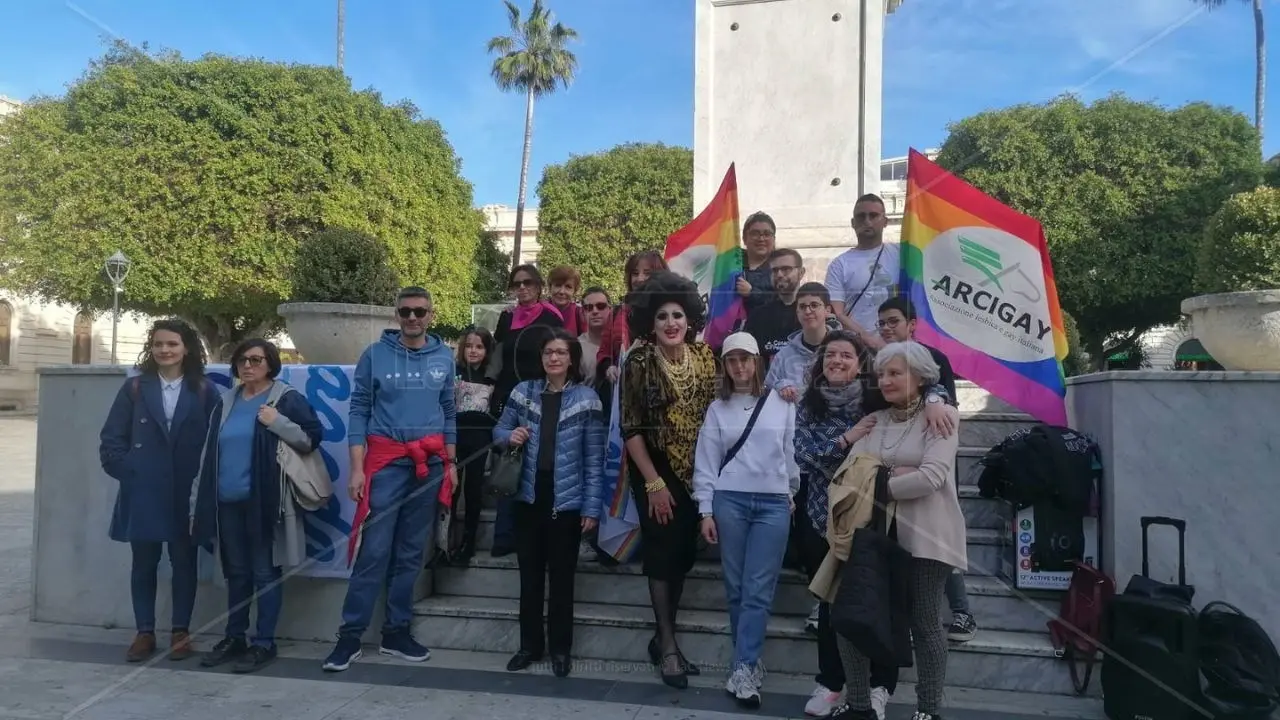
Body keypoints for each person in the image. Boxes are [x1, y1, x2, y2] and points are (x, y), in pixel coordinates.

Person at [322, 286, 457, 672]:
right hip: (386, 462)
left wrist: (451, 463)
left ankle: (396, 631)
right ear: (396, 315)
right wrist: (357, 467)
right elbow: (358, 411)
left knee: (412, 552)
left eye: (420, 311)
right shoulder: (374, 355)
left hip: (429, 465)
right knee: (374, 550)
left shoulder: (444, 357)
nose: (412, 318)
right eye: (405, 312)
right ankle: (349, 636)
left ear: (432, 314)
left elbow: (449, 410)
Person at [830, 341, 967, 720]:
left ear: (920, 377)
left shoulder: (942, 417)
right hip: (875, 539)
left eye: (895, 373)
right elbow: (848, 476)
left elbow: (933, 477)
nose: (885, 381)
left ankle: (928, 711)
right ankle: (859, 705)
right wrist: (890, 478)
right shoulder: (876, 421)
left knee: (925, 625)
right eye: (882, 374)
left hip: (927, 537)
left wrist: (877, 480)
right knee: (851, 619)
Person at [190, 339, 323, 673]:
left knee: (265, 574)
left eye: (256, 360)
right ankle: (234, 637)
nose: (248, 366)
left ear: (270, 364)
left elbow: (311, 439)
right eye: (242, 360)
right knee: (235, 574)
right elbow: (210, 454)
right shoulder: (226, 402)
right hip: (226, 504)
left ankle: (264, 642)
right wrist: (198, 502)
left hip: (264, 504)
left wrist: (277, 421)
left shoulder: (285, 399)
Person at [619, 270, 719, 689]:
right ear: (651, 324)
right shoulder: (639, 362)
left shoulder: (706, 357)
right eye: (662, 317)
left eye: (678, 315)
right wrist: (654, 483)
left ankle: (663, 640)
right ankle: (670, 645)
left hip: (700, 470)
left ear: (690, 319)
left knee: (682, 554)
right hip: (654, 470)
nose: (671, 323)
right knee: (662, 552)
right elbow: (631, 429)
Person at [99, 318, 218, 663]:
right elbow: (111, 440)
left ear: (186, 349)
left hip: (186, 493)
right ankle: (144, 632)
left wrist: (204, 486)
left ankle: (181, 631)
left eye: (172, 344)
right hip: (144, 491)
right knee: (144, 563)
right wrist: (131, 474)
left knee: (184, 562)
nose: (165, 350)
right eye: (159, 344)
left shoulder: (204, 390)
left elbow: (214, 443)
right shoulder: (135, 389)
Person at [792, 330, 895, 719]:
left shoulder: (877, 401)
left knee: (874, 602)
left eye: (846, 355)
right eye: (830, 354)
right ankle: (831, 682)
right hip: (822, 517)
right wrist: (848, 439)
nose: (836, 360)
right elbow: (803, 454)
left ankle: (878, 686)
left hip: (869, 518)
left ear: (860, 364)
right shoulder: (808, 404)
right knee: (829, 606)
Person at [692, 333, 799, 708]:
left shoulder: (781, 402)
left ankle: (744, 664)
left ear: (757, 362)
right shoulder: (717, 409)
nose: (739, 367)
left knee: (757, 588)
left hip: (772, 503)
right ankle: (746, 665)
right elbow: (705, 463)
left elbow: (789, 451)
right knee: (737, 587)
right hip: (730, 500)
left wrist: (789, 490)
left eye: (745, 359)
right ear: (725, 365)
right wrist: (705, 509)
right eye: (732, 360)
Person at [493, 329, 606, 678]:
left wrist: (590, 507)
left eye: (560, 352)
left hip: (567, 502)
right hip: (528, 496)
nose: (553, 358)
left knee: (561, 580)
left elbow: (594, 459)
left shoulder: (587, 399)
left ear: (571, 358)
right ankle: (529, 646)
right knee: (529, 578)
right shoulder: (522, 393)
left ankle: (560, 648)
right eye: (547, 352)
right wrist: (508, 436)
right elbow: (497, 432)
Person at [875, 297, 976, 642]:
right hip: (894, 461)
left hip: (933, 451)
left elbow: (942, 396)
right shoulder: (880, 360)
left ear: (912, 324)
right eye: (882, 324)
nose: (887, 328)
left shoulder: (935, 359)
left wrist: (934, 400)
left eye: (893, 321)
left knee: (936, 537)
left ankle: (962, 611)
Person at [488, 264, 565, 557]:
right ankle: (504, 535)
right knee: (508, 463)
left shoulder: (551, 316)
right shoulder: (506, 317)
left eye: (528, 282)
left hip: (541, 397)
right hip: (509, 397)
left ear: (539, 286)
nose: (522, 288)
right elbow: (498, 356)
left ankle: (536, 533)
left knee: (537, 465)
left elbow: (559, 353)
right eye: (517, 283)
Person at [825, 195, 898, 351]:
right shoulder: (839, 265)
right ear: (853, 223)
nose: (867, 221)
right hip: (859, 350)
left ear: (885, 221)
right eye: (861, 216)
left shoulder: (903, 255)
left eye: (873, 215)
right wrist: (870, 341)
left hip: (900, 349)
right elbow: (836, 313)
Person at [451, 326, 497, 565]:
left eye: (479, 346)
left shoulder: (491, 377)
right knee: (452, 488)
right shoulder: (454, 372)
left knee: (473, 488)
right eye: (469, 346)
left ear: (487, 350)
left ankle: (468, 542)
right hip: (455, 436)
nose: (473, 350)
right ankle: (446, 541)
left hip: (479, 437)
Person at [596, 251, 667, 385]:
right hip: (624, 392)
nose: (639, 278)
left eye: (647, 273)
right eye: (635, 273)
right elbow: (604, 351)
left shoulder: (671, 312)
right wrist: (608, 367)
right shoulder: (618, 312)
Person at [743, 249, 805, 368]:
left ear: (801, 272)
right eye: (775, 270)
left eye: (786, 269)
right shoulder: (758, 316)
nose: (780, 275)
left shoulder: (812, 313)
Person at [736, 211, 778, 314]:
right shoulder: (731, 263)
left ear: (773, 239)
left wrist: (752, 293)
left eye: (767, 234)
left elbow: (785, 302)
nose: (761, 239)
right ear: (744, 239)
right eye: (755, 233)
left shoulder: (782, 269)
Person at [577, 286, 611, 387]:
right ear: (582, 314)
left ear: (610, 310)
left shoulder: (622, 343)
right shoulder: (576, 347)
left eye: (601, 306)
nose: (595, 311)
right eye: (589, 308)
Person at [546, 265, 588, 337]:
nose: (562, 291)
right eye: (558, 285)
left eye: (568, 287)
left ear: (574, 291)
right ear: (550, 287)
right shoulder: (539, 311)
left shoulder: (580, 314)